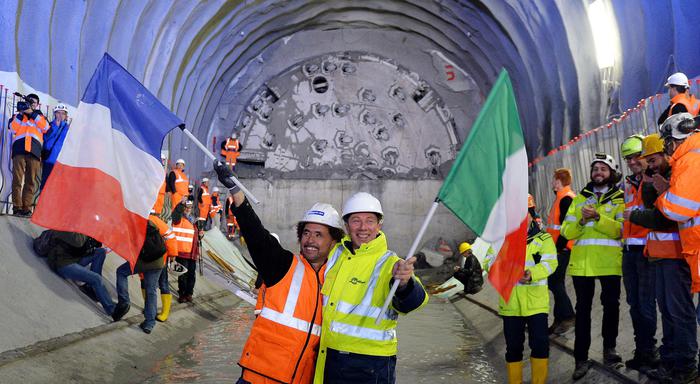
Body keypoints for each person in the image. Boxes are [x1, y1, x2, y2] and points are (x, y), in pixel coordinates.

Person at [214, 161, 345, 384]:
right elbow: (256, 236)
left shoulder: (338, 279)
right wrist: (235, 190)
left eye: (319, 234)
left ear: (334, 240)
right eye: (306, 233)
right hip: (258, 378)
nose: (310, 240)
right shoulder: (283, 266)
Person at [314, 192, 429, 384]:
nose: (363, 227)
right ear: (346, 225)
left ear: (379, 225)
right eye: (356, 221)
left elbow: (414, 302)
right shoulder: (336, 254)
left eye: (370, 221)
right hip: (329, 355)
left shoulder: (390, 262)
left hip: (370, 364)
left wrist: (404, 283)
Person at [626, 131, 695, 381]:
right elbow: (650, 208)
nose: (650, 165)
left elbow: (661, 218)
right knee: (667, 312)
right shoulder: (658, 179)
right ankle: (670, 361)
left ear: (667, 154)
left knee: (679, 312)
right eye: (648, 161)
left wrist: (633, 216)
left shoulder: (677, 176)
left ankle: (686, 365)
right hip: (659, 256)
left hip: (677, 256)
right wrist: (648, 181)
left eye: (653, 160)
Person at [561, 153, 625, 380]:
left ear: (611, 173)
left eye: (603, 169)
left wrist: (598, 217)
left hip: (609, 263)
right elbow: (566, 232)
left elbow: (621, 230)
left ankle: (610, 352)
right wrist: (580, 220)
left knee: (611, 307)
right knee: (583, 312)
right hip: (583, 265)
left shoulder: (619, 198)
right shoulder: (580, 198)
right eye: (595, 169)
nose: (598, 173)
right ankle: (580, 359)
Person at [484, 194, 556, 384]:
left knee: (540, 345)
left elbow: (551, 264)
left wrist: (531, 273)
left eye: (524, 214)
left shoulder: (544, 238)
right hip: (511, 304)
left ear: (532, 214)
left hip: (536, 304)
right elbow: (489, 264)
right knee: (513, 348)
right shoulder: (501, 241)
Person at [654, 113, 700, 381]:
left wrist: (662, 194)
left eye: (667, 142)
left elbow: (677, 207)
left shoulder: (691, 159)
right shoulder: (691, 157)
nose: (667, 148)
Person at [619, 134, 658, 371]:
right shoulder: (629, 184)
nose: (632, 162)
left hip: (646, 250)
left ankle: (650, 351)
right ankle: (642, 349)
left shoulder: (654, 182)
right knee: (634, 303)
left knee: (645, 303)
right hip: (629, 251)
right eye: (628, 158)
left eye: (636, 157)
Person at [114, 212, 178, 333]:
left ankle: (124, 302)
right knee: (151, 290)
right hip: (158, 261)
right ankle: (149, 323)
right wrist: (173, 255)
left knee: (121, 272)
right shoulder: (155, 220)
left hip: (142, 260)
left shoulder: (131, 222)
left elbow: (127, 244)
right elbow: (170, 236)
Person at [45, 231, 116, 318]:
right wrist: (88, 234)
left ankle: (91, 288)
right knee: (96, 279)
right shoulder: (69, 229)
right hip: (63, 264)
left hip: (73, 259)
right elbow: (78, 243)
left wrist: (95, 240)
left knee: (100, 252)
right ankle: (112, 310)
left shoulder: (79, 229)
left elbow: (83, 248)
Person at [545, 168, 576, 335]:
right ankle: (559, 319)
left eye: (553, 179)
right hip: (559, 249)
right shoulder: (561, 198)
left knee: (554, 282)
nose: (552, 183)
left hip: (562, 249)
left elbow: (565, 228)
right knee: (557, 283)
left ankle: (569, 316)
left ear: (559, 181)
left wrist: (558, 249)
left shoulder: (566, 199)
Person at [9, 93, 48, 216]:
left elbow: (46, 128)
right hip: (19, 151)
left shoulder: (40, 117)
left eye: (33, 103)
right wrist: (21, 113)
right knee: (17, 180)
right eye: (29, 102)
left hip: (34, 152)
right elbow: (12, 129)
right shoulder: (17, 115)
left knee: (30, 181)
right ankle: (17, 207)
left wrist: (32, 113)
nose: (31, 104)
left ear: (37, 105)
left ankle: (26, 208)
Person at [173, 200, 201, 303]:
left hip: (192, 252)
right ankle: (182, 294)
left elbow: (196, 235)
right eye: (186, 207)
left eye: (190, 207)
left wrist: (200, 234)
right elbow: (176, 215)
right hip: (183, 252)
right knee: (182, 274)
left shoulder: (194, 220)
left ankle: (189, 293)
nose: (188, 209)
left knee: (191, 274)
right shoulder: (178, 219)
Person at [40, 103, 70, 189]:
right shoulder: (48, 125)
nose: (60, 115)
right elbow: (45, 138)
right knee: (45, 185)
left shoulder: (68, 129)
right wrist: (55, 127)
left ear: (66, 116)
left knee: (58, 187)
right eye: (58, 113)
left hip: (61, 162)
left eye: (63, 113)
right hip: (49, 160)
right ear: (55, 114)